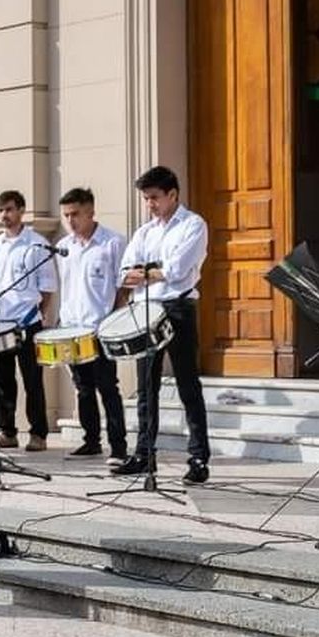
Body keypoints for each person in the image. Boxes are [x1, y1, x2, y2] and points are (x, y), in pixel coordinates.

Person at [114, 166, 212, 484]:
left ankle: (198, 457)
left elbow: (179, 270)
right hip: (146, 310)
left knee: (187, 384)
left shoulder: (193, 225)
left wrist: (146, 271)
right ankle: (144, 454)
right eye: (146, 199)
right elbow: (123, 274)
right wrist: (151, 271)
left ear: (172, 194)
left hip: (178, 308)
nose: (150, 205)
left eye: (154, 198)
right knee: (146, 387)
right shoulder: (145, 232)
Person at [56, 188, 128, 462]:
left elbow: (123, 287)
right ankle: (91, 441)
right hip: (73, 329)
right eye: (66, 215)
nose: (71, 221)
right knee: (82, 387)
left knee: (108, 387)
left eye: (75, 214)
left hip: (100, 328)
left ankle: (118, 447)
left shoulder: (112, 243)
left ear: (91, 212)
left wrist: (113, 321)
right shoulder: (66, 246)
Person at [0, 190, 59, 451]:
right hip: (0, 323)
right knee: (1, 380)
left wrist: (41, 316)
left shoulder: (36, 244)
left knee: (32, 380)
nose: (5, 215)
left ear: (21, 211)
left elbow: (48, 288)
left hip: (28, 322)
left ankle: (38, 433)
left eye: (9, 209)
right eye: (1, 210)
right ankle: (7, 432)